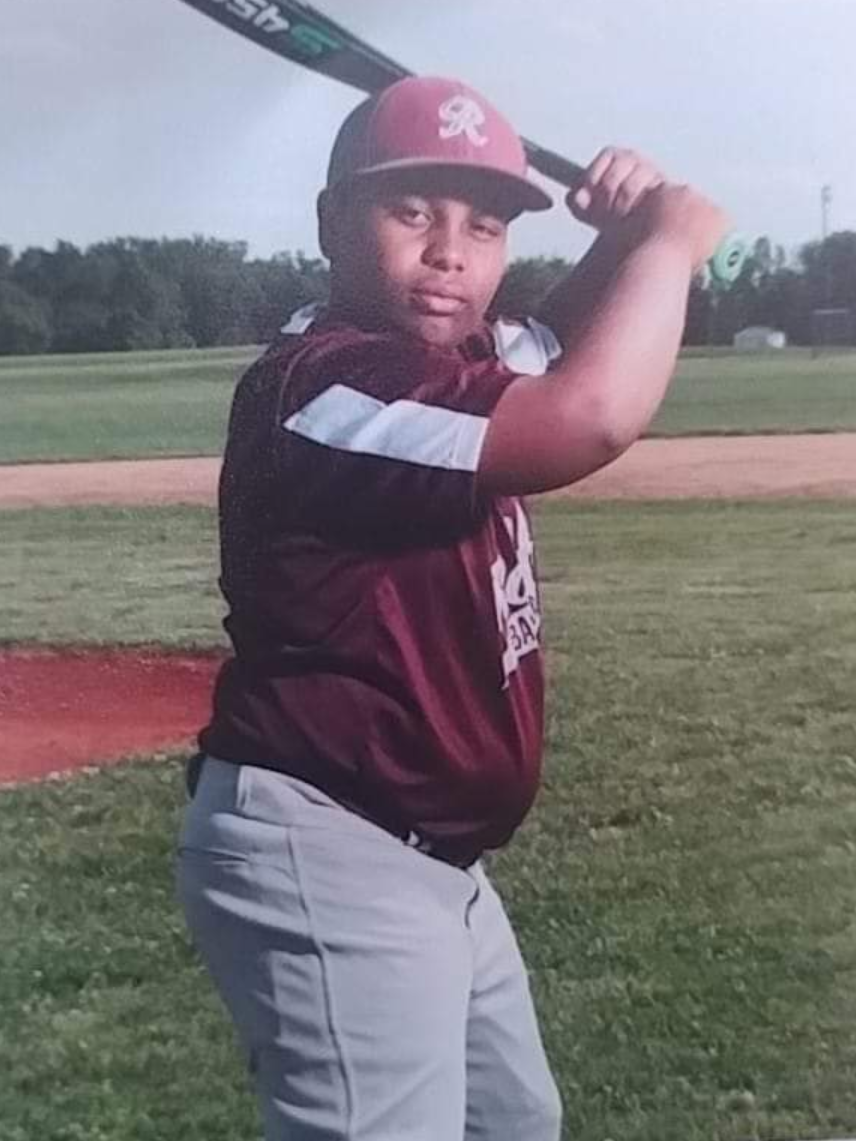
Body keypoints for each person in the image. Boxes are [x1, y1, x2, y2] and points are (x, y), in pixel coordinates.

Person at [176, 75, 727, 1141]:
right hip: (329, 844)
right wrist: (670, 244)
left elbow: (550, 349)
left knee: (512, 1124)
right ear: (332, 225)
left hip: (429, 857)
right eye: (411, 211)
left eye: (484, 225)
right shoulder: (325, 386)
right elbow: (586, 413)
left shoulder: (449, 359)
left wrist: (621, 240)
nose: (449, 253)